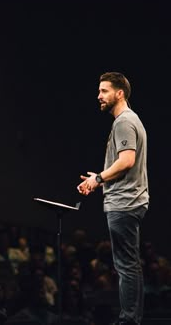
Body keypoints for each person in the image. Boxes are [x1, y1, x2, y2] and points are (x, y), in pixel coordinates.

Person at [77, 72, 149, 325]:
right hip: (129, 201)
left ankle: (129, 320)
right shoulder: (129, 120)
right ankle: (131, 318)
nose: (99, 96)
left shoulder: (124, 122)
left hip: (124, 202)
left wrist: (98, 180)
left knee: (127, 266)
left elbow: (127, 161)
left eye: (104, 91)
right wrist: (100, 177)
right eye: (99, 91)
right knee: (129, 265)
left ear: (120, 93)